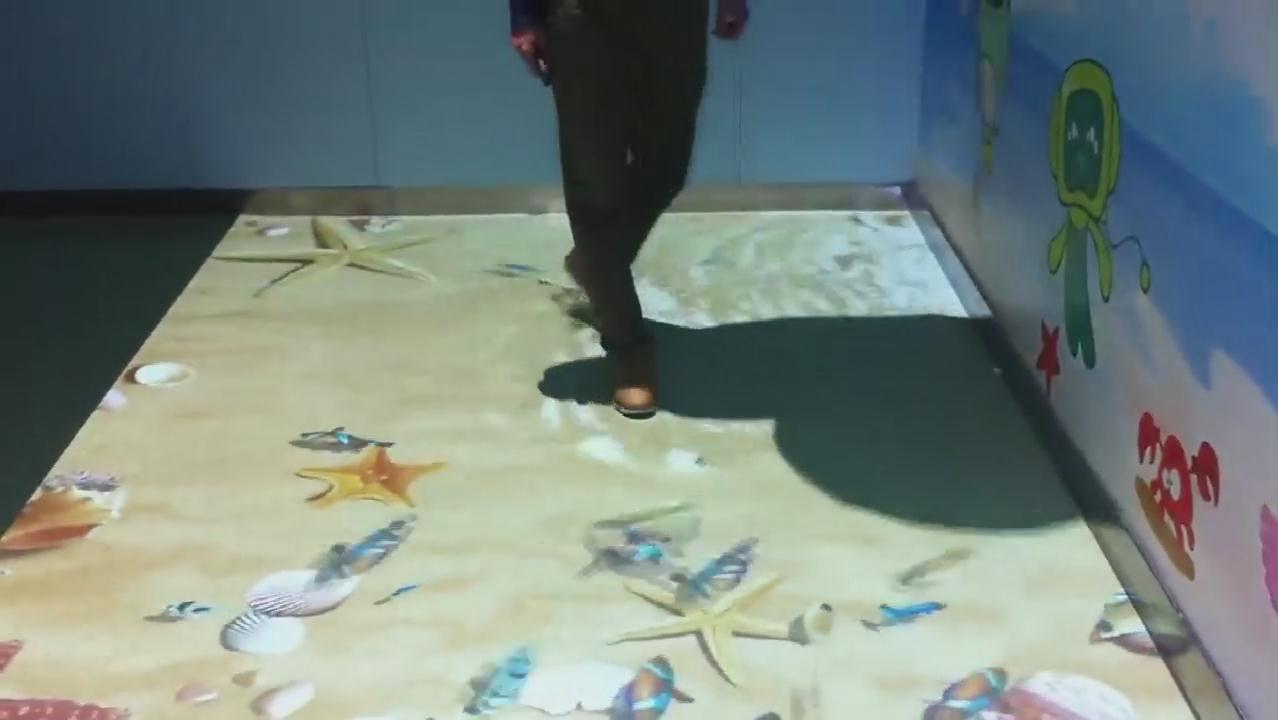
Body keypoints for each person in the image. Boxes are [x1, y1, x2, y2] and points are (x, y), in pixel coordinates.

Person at [509, 0, 749, 420]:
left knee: (666, 165)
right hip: (580, 16)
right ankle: (628, 349)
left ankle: (596, 263)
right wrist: (524, 14)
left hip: (674, 15)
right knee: (592, 175)